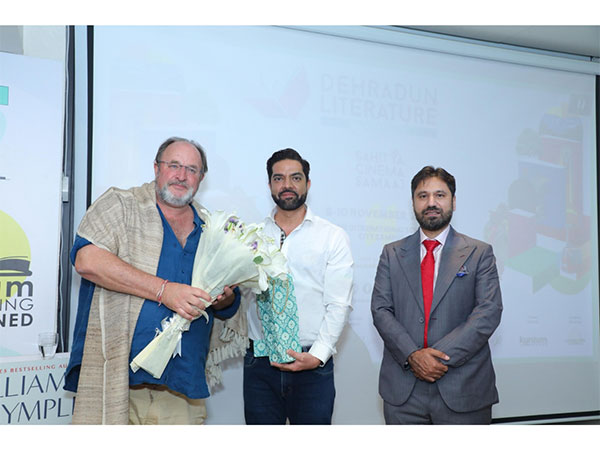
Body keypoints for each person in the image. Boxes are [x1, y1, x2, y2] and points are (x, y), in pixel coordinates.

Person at [64, 137, 246, 425]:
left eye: (192, 169)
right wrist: (164, 291)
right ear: (156, 168)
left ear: (201, 178)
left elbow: (229, 307)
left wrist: (227, 298)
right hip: (116, 382)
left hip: (182, 389)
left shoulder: (212, 228)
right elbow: (87, 260)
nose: (182, 175)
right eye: (174, 165)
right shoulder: (121, 205)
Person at [371, 166, 503, 424]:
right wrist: (413, 355)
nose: (431, 203)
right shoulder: (391, 253)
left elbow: (488, 312)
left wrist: (434, 357)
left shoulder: (479, 252)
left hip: (463, 388)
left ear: (453, 201)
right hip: (404, 392)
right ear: (413, 203)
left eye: (440, 195)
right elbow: (380, 310)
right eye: (423, 196)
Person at [243, 148, 354, 425]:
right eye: (278, 179)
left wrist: (317, 356)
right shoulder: (251, 236)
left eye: (295, 178)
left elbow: (339, 304)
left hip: (312, 364)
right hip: (261, 363)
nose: (287, 185)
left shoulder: (332, 236)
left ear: (307, 183)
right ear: (269, 184)